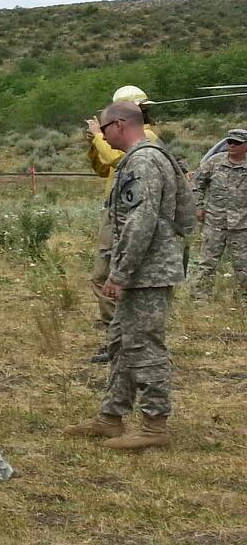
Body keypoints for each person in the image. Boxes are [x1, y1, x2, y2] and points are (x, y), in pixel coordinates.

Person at [64, 101, 188, 450]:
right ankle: (111, 417)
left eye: (102, 130)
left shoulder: (144, 160)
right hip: (142, 268)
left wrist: (119, 273)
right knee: (120, 341)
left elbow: (140, 222)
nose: (101, 135)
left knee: (145, 345)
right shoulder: (143, 157)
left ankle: (154, 424)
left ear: (118, 125)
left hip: (147, 272)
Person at [85, 84, 161, 355]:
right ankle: (121, 338)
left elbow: (115, 159)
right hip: (116, 211)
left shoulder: (145, 139)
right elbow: (102, 167)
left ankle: (118, 339)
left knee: (106, 276)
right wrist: (95, 144)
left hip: (128, 216)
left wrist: (98, 137)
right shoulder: (135, 139)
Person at [190, 127, 247, 297]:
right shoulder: (214, 162)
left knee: (243, 264)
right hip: (214, 222)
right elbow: (197, 184)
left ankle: (242, 298)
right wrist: (198, 206)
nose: (232, 145)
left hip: (242, 225)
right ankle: (200, 296)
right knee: (207, 261)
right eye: (229, 142)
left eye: (237, 143)